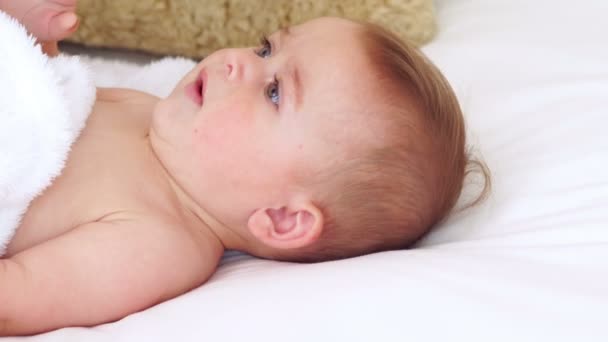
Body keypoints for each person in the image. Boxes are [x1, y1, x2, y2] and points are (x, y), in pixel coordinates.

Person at [0, 0, 490, 336]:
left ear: (283, 218)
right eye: (265, 48)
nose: (239, 63)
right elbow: (40, 93)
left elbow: (17, 298)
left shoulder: (157, 243)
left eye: (274, 91)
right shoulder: (146, 110)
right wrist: (27, 33)